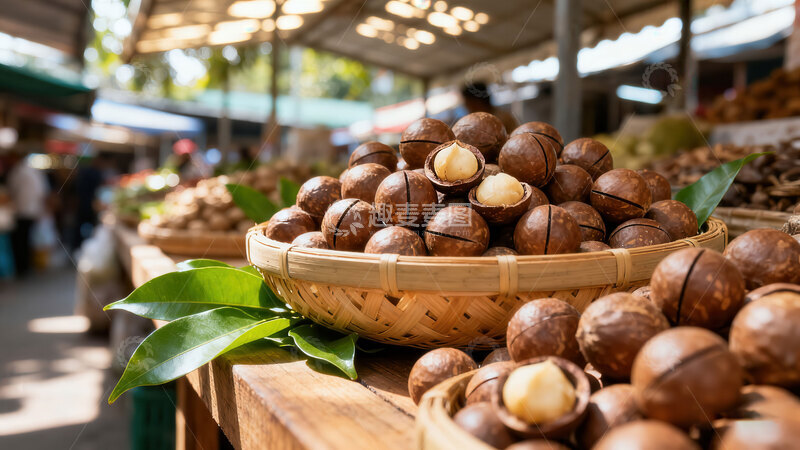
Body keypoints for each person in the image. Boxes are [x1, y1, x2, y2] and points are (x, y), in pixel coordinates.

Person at [7, 151, 48, 276]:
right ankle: (26, 265)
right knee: (26, 239)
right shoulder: (34, 172)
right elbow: (43, 191)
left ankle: (22, 267)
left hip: (22, 210)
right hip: (33, 210)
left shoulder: (18, 172)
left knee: (20, 240)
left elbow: (11, 189)